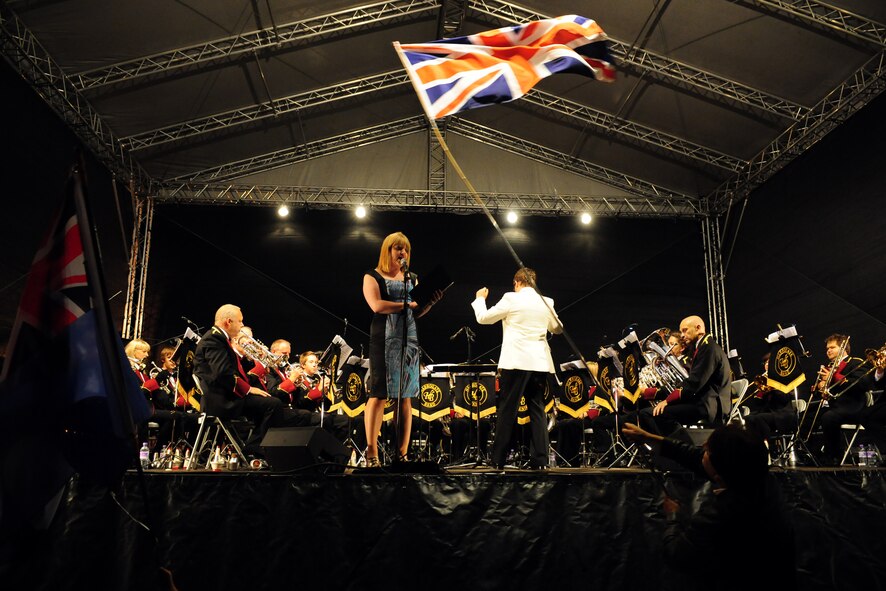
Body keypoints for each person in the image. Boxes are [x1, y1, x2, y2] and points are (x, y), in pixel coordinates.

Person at [622, 421, 796, 591]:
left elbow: (677, 555)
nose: (703, 446)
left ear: (718, 475)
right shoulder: (755, 477)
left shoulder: (721, 514)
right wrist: (648, 437)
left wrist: (673, 516)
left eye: (707, 451)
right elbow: (695, 457)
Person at [362, 232, 442, 466]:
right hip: (383, 337)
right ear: (387, 250)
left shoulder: (412, 277)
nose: (402, 253)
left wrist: (429, 303)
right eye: (397, 248)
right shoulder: (372, 276)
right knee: (379, 394)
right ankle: (372, 452)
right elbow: (377, 306)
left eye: (405, 249)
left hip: (408, 337)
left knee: (405, 395)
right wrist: (409, 304)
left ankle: (402, 454)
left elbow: (416, 311)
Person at [472, 267, 563, 469]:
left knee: (507, 410)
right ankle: (540, 461)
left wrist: (479, 299)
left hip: (516, 362)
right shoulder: (546, 301)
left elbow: (484, 318)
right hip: (539, 363)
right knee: (537, 409)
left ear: (517, 283)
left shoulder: (511, 298)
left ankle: (498, 460)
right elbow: (557, 329)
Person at [193, 304, 282, 457]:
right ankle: (254, 447)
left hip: (225, 395)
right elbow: (223, 373)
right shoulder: (214, 339)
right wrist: (248, 389)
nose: (242, 325)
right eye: (240, 321)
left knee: (269, 402)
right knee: (273, 404)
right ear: (228, 322)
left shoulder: (218, 337)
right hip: (221, 400)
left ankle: (254, 447)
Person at [638, 315, 730, 437]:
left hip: (709, 406)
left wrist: (667, 401)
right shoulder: (704, 346)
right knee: (648, 413)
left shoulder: (708, 348)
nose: (682, 335)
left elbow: (694, 383)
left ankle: (680, 449)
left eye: (685, 330)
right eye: (681, 331)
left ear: (698, 328)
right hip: (703, 403)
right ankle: (677, 447)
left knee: (651, 414)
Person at [812, 334, 868, 464]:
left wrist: (835, 378)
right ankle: (810, 454)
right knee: (805, 417)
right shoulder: (828, 366)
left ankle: (833, 456)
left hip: (852, 406)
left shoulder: (855, 362)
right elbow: (821, 391)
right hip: (833, 406)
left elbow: (862, 384)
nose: (828, 350)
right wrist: (819, 387)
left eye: (832, 347)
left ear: (843, 349)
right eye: (827, 348)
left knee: (829, 417)